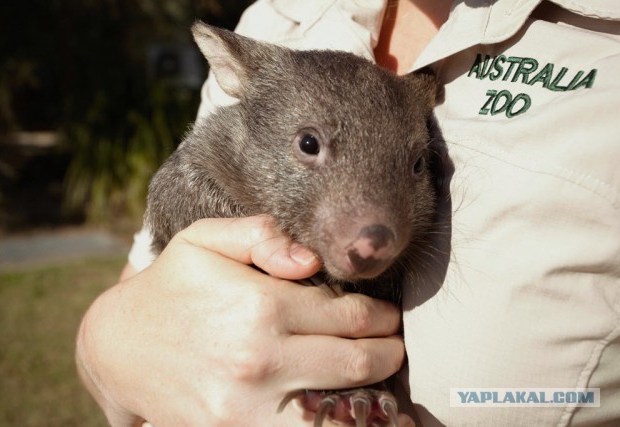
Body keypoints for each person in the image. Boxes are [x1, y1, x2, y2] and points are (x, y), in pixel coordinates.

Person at [76, 0, 620, 425]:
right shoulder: (278, 18)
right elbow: (144, 289)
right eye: (310, 146)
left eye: (416, 167)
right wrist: (103, 342)